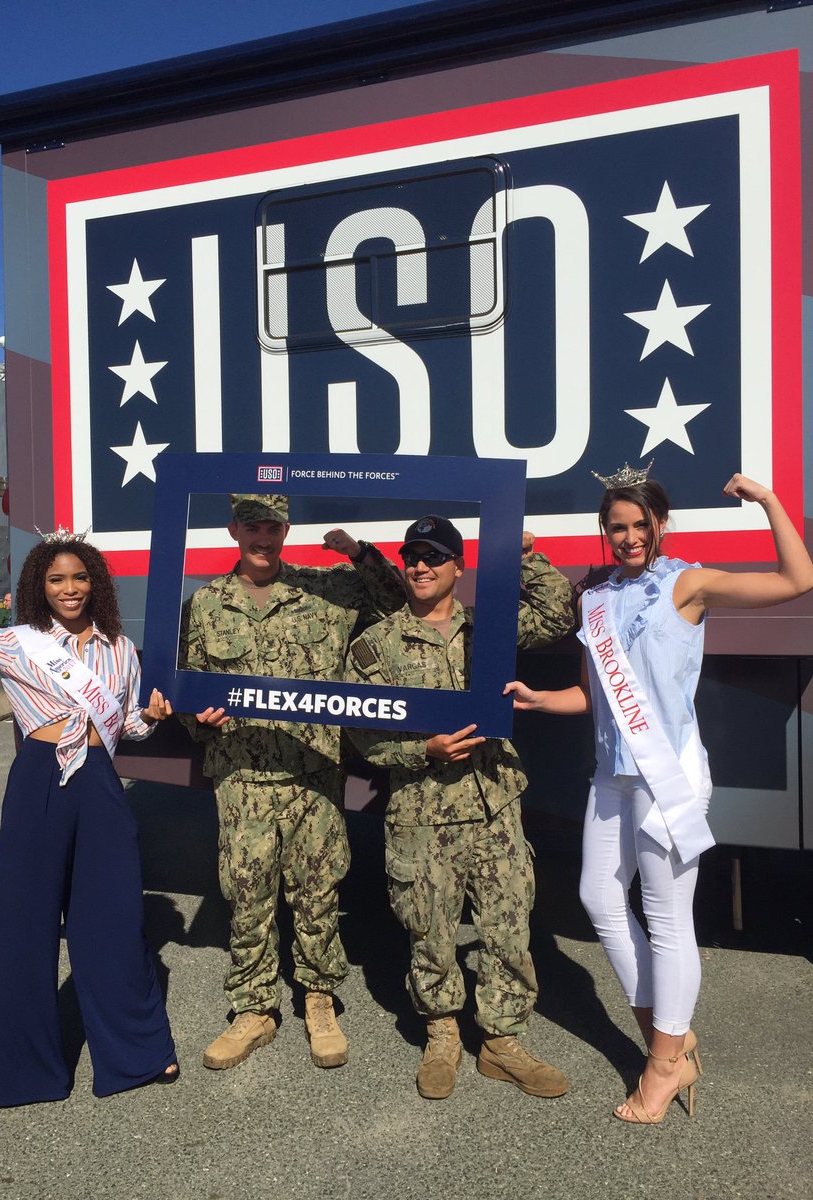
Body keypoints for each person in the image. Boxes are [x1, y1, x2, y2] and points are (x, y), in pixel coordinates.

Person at [506, 468, 813, 1124]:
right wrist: (539, 698)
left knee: (667, 916)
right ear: (604, 533)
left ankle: (665, 1063)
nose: (628, 537)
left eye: (639, 525)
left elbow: (798, 580)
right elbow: (592, 695)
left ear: (659, 526)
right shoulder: (596, 598)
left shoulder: (688, 583)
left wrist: (768, 501)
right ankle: (668, 1034)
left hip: (667, 775)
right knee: (597, 896)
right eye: (616, 527)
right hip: (613, 775)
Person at [0, 534, 179, 1107]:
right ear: (41, 585)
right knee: (26, 923)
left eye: (79, 578)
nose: (69, 589)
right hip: (40, 777)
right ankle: (26, 1072)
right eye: (56, 579)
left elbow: (128, 724)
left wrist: (151, 718)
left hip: (100, 783)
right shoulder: (19, 643)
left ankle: (136, 1053)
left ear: (95, 583)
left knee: (113, 916)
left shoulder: (121, 648)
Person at [345, 515, 574, 1100]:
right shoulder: (377, 643)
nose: (420, 566)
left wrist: (524, 555)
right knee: (430, 929)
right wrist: (425, 749)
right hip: (421, 813)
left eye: (434, 556)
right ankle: (442, 1033)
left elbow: (557, 614)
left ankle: (501, 1042)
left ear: (458, 566)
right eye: (412, 556)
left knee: (508, 927)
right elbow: (361, 733)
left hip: (494, 803)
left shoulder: (488, 631)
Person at [179, 494, 405, 1071]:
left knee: (317, 890)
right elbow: (185, 685)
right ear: (233, 529)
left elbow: (395, 601)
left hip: (312, 776)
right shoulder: (205, 605)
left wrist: (359, 554)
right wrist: (194, 716)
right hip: (243, 778)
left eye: (273, 526)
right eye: (252, 525)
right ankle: (253, 1007)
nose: (263, 536)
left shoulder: (324, 590)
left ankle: (318, 996)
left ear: (286, 531)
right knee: (247, 893)